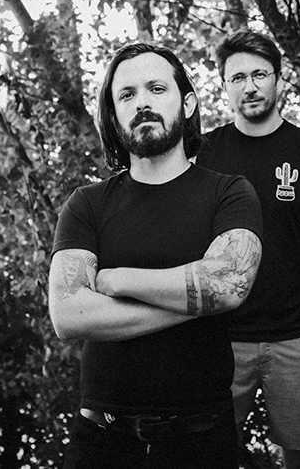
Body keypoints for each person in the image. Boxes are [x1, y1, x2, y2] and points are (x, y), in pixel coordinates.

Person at [48, 42, 263, 469]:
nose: (142, 102)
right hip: (101, 442)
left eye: (156, 88)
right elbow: (69, 314)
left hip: (201, 442)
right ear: (114, 116)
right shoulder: (87, 204)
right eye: (127, 94)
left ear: (188, 103)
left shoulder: (229, 192)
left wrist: (119, 280)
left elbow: (227, 283)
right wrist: (196, 301)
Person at [196, 30, 300, 469]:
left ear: (278, 78)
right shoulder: (202, 155)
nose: (250, 86)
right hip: (219, 340)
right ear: (225, 85)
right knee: (205, 455)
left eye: (259, 74)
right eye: (237, 78)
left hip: (297, 336)